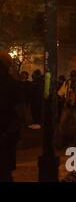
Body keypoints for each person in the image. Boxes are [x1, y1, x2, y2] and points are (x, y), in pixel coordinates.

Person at [0, 51, 24, 182]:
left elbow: (20, 114)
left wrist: (7, 134)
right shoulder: (13, 84)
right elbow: (20, 114)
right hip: (7, 136)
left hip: (6, 137)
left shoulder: (12, 85)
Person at [56, 70, 76, 148]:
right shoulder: (67, 83)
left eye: (74, 76)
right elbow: (61, 92)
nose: (73, 77)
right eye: (72, 76)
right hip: (67, 106)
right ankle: (60, 142)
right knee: (62, 124)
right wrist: (62, 98)